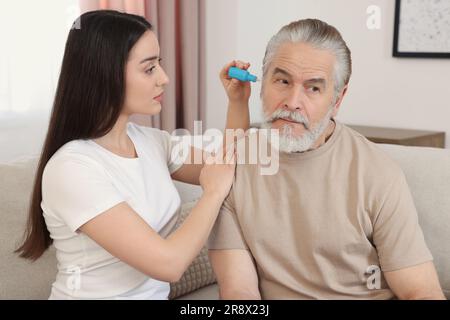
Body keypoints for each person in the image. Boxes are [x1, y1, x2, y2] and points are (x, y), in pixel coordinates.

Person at [15, 10, 250, 300]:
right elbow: (169, 265)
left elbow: (233, 166)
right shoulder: (72, 168)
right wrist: (212, 193)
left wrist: (237, 102)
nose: (164, 78)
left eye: (159, 64)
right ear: (105, 73)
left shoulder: (152, 143)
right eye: (149, 68)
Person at [208, 19, 445, 300]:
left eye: (313, 88)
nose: (293, 101)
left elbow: (421, 291)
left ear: (338, 99)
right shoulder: (233, 167)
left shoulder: (378, 174)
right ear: (262, 84)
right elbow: (239, 291)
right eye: (282, 81)